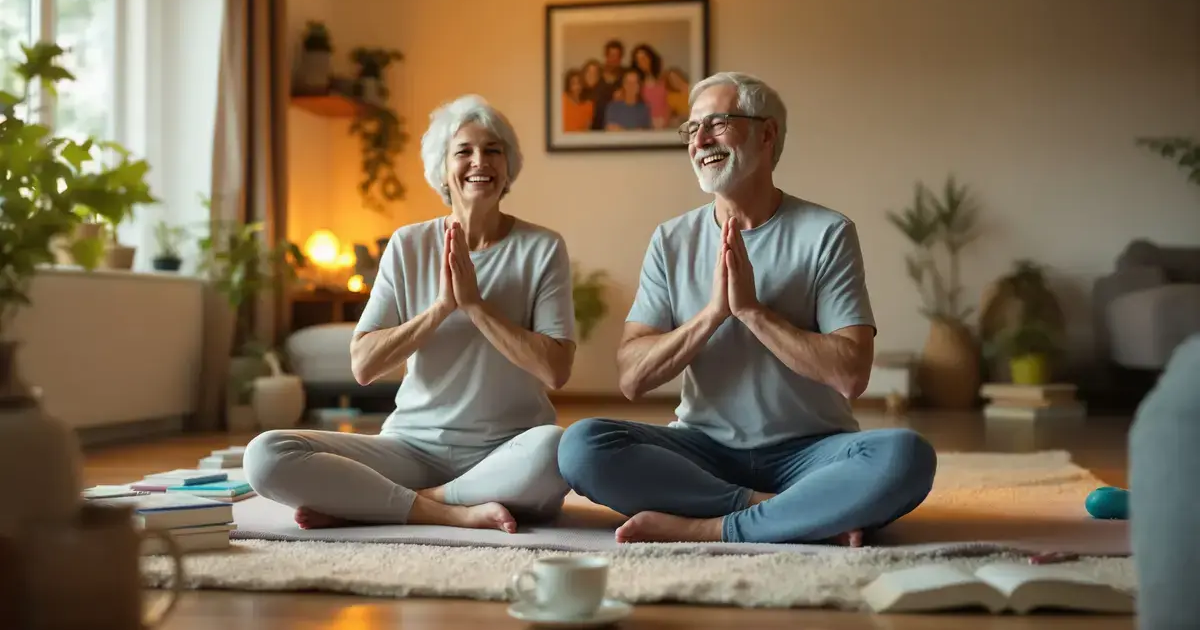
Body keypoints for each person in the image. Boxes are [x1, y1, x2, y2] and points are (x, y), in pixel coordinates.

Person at [557, 72, 937, 546]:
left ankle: (709, 526)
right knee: (582, 446)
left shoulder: (827, 233)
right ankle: (784, 513)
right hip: (704, 450)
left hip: (812, 451)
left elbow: (851, 375)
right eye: (692, 129)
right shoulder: (671, 240)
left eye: (718, 123)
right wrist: (713, 314)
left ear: (767, 133)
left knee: (906, 456)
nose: (700, 140)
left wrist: (754, 311)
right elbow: (633, 378)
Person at [244, 95, 577, 533]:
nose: (480, 161)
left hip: (506, 450)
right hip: (412, 449)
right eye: (464, 151)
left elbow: (555, 370)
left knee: (556, 449)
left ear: (509, 166)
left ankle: (393, 503)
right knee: (266, 455)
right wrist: (440, 309)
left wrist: (476, 307)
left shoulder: (542, 247)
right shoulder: (409, 245)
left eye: (493, 150)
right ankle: (445, 509)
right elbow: (364, 364)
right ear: (443, 169)